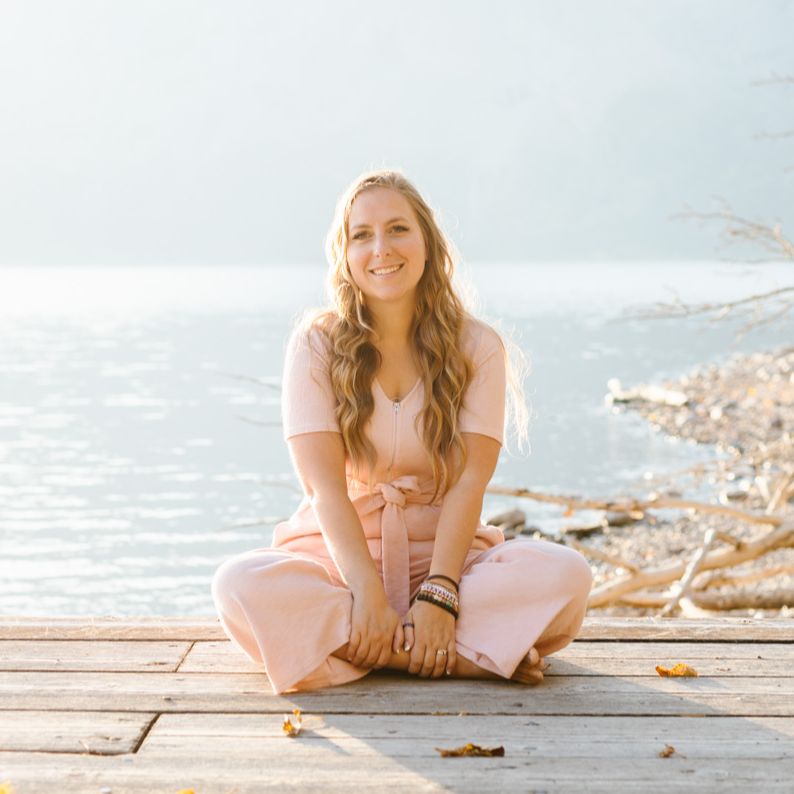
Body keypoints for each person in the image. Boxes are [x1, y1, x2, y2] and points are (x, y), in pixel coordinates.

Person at [211, 169, 592, 695]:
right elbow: (322, 488)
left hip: (446, 558)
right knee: (237, 585)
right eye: (361, 235)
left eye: (397, 229)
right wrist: (366, 592)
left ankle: (370, 649)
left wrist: (440, 592)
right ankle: (451, 656)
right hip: (341, 560)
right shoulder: (316, 343)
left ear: (428, 243)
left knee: (566, 575)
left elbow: (468, 483)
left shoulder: (478, 347)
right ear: (344, 254)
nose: (380, 248)